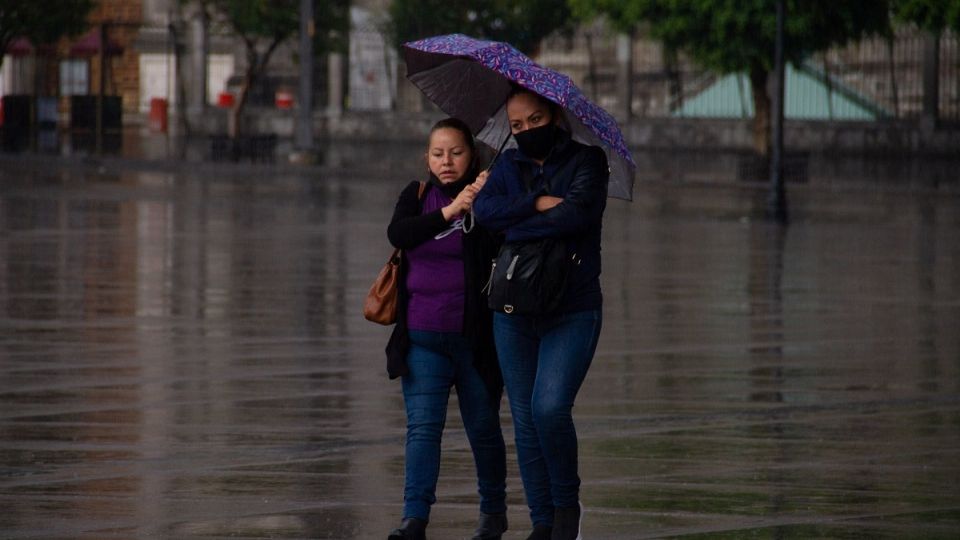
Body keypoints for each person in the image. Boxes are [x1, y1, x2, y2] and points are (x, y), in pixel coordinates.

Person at [472, 86, 608, 540]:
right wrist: (533, 203)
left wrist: (519, 222)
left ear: (553, 116)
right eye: (516, 126)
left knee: (549, 408)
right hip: (512, 308)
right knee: (525, 419)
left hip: (572, 307)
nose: (526, 130)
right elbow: (486, 214)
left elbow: (576, 217)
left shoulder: (588, 162)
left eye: (534, 120)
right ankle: (541, 522)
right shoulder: (507, 164)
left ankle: (566, 507)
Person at [384, 117, 507, 540]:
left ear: (472, 155)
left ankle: (493, 514)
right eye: (438, 153)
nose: (446, 161)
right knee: (422, 429)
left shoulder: (488, 197)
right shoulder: (417, 196)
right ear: (427, 158)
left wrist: (486, 199)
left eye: (456, 152)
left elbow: (503, 248)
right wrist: (450, 211)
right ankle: (414, 519)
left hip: (475, 342)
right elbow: (399, 233)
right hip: (421, 337)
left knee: (484, 429)